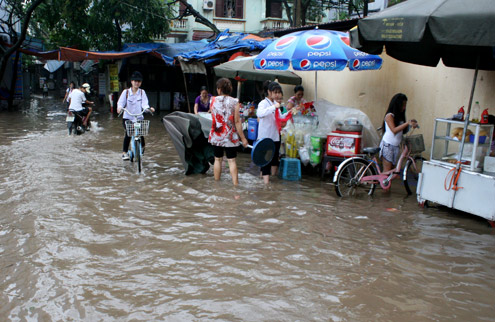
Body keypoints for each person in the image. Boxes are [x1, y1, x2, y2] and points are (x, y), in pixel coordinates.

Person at [208, 78, 248, 186]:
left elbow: (213, 114)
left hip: (217, 133)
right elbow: (237, 121)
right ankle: (235, 185)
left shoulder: (212, 100)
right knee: (232, 161)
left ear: (219, 89)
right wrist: (243, 138)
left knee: (218, 159)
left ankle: (216, 184)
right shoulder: (235, 102)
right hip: (230, 135)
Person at [257, 81, 290, 184]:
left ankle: (266, 181)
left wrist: (290, 112)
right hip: (265, 137)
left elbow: (280, 118)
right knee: (266, 161)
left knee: (273, 159)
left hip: (275, 136)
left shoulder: (276, 105)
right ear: (269, 92)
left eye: (278, 93)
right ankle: (266, 186)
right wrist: (273, 107)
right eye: (275, 92)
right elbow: (260, 113)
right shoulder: (263, 103)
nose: (276, 95)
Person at [117, 71, 155, 161]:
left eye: (139, 81)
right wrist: (119, 108)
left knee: (141, 133)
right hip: (128, 117)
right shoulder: (125, 92)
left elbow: (145, 105)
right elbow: (120, 104)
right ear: (131, 81)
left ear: (141, 82)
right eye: (135, 81)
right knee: (128, 133)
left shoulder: (142, 92)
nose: (137, 83)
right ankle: (124, 153)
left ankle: (142, 148)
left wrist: (149, 109)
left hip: (139, 117)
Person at [379, 93, 418, 173]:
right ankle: (378, 182)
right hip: (388, 146)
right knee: (387, 172)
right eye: (403, 105)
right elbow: (394, 130)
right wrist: (407, 123)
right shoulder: (389, 116)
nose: (404, 108)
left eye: (405, 105)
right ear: (397, 105)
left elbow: (402, 131)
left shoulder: (400, 117)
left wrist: (411, 126)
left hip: (396, 146)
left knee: (392, 172)